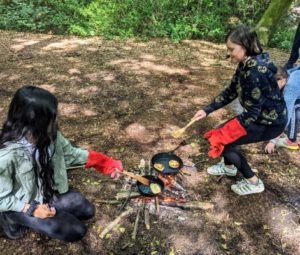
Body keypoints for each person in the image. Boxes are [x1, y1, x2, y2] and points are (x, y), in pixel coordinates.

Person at [0, 86, 123, 242]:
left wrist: (106, 163)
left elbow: (71, 154)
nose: (56, 119)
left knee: (87, 210)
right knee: (76, 231)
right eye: (52, 116)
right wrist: (30, 209)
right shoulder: (5, 156)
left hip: (45, 192)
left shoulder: (50, 135)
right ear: (35, 122)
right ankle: (11, 222)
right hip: (20, 202)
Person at [193, 25, 287, 195]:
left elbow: (252, 113)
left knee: (224, 142)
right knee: (221, 132)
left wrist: (225, 134)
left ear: (244, 46)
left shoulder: (255, 71)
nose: (228, 54)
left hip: (269, 122)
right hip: (258, 117)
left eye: (231, 49)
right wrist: (207, 110)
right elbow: (231, 90)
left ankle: (253, 182)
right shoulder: (246, 64)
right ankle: (229, 167)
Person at [265, 65, 300, 153]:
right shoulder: (288, 73)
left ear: (282, 80)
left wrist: (273, 141)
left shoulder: (291, 85)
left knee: (292, 110)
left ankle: (291, 141)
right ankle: (283, 131)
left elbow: (286, 115)